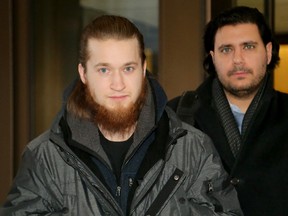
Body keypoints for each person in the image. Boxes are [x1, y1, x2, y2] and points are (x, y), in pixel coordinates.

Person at [0, 15, 242, 215]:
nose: (118, 84)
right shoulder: (45, 156)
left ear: (143, 70)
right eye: (104, 69)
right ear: (83, 74)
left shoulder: (192, 148)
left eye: (128, 68)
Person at [168, 6, 288, 216]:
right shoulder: (176, 114)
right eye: (226, 49)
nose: (238, 59)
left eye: (248, 46)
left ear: (268, 52)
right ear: (213, 57)